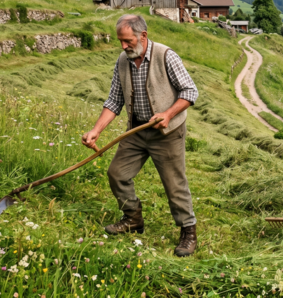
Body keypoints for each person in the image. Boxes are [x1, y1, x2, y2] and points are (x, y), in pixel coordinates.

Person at [82, 14, 199, 257]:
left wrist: (167, 114)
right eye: (120, 42)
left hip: (167, 132)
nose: (123, 46)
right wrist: (96, 130)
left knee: (174, 184)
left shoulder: (166, 55)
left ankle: (188, 232)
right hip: (136, 131)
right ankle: (133, 219)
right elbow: (115, 100)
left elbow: (190, 91)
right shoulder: (123, 61)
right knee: (117, 174)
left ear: (142, 36)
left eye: (127, 41)